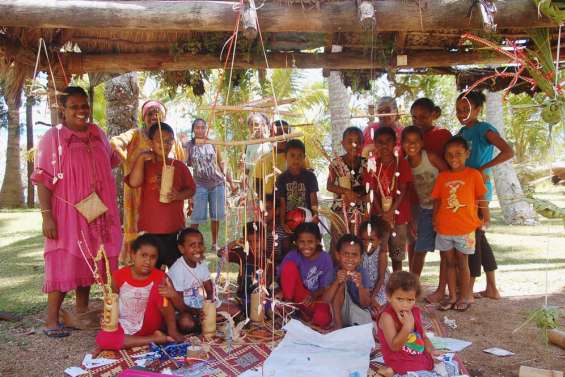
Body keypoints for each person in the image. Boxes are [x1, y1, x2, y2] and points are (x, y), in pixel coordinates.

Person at [32, 86, 122, 338]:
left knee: (92, 258)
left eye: (84, 106)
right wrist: (47, 215)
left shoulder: (98, 133)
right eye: (74, 106)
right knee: (65, 260)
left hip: (99, 211)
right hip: (68, 212)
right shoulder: (54, 137)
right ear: (63, 109)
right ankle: (51, 320)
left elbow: (114, 159)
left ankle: (81, 312)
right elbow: (42, 179)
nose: (81, 111)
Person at [110, 100, 185, 262]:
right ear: (144, 117)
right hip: (138, 194)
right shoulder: (136, 135)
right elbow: (114, 143)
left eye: (157, 112)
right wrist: (130, 163)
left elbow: (181, 165)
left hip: (167, 197)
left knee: (169, 239)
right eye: (149, 113)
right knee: (145, 236)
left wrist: (187, 197)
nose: (154, 116)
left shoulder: (173, 139)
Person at [456, 91, 513, 300]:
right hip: (465, 193)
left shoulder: (484, 129)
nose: (462, 113)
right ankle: (491, 287)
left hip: (479, 193)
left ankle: (468, 289)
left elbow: (508, 151)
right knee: (480, 239)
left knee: (474, 240)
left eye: (466, 109)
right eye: (459, 110)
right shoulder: (462, 133)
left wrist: (484, 169)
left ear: (478, 110)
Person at [95, 234, 183, 350]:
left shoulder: (161, 276)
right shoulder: (118, 276)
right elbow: (111, 303)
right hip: (124, 324)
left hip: (149, 323)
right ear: (133, 255)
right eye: (143, 255)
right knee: (104, 339)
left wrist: (173, 295)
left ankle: (171, 331)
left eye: (153, 257)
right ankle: (155, 339)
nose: (147, 261)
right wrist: (106, 317)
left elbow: (179, 307)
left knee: (160, 288)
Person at [431, 137, 489, 312]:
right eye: (449, 155)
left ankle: (465, 296)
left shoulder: (473, 175)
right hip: (444, 228)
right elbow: (437, 200)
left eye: (458, 154)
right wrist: (435, 218)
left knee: (463, 263)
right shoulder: (442, 177)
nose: (453, 158)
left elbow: (481, 198)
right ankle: (453, 296)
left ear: (467, 154)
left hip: (465, 228)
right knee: (448, 262)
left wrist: (486, 218)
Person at [126, 122, 195, 268]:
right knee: (151, 271)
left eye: (169, 141)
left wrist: (178, 195)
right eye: (160, 141)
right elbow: (133, 182)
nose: (165, 144)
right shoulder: (145, 165)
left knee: (176, 269)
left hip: (174, 230)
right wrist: (141, 158)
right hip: (149, 231)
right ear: (151, 142)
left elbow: (191, 189)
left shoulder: (179, 166)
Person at [376, 271, 447, 377]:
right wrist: (407, 327)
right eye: (399, 299)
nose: (404, 305)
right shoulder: (387, 317)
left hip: (418, 354)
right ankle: (391, 371)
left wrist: (432, 350)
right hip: (398, 359)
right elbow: (394, 347)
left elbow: (422, 336)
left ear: (415, 299)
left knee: (446, 365)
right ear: (389, 297)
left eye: (410, 300)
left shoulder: (415, 311)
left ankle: (390, 372)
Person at [401, 126, 448, 277]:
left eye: (415, 141)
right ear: (402, 144)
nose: (412, 144)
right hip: (425, 210)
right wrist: (411, 220)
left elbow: (448, 175)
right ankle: (412, 285)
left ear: (422, 143)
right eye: (407, 141)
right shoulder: (405, 164)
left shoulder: (431, 157)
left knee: (446, 251)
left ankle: (444, 288)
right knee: (420, 249)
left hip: (444, 208)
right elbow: (407, 192)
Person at [365, 127, 413, 272]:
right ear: (375, 144)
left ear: (395, 143)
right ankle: (380, 281)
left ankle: (397, 281)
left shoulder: (401, 163)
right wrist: (382, 213)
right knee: (380, 250)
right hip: (378, 216)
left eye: (388, 141)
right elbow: (371, 190)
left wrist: (391, 211)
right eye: (380, 142)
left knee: (397, 253)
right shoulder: (372, 164)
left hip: (398, 216)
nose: (384, 145)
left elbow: (403, 189)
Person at [186, 118, 237, 252]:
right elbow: (185, 167)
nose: (200, 130)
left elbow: (221, 163)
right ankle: (189, 242)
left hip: (217, 184)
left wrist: (231, 183)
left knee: (216, 216)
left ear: (206, 129)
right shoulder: (189, 146)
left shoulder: (213, 144)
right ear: (193, 129)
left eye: (203, 127)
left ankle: (214, 243)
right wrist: (188, 193)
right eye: (197, 127)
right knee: (196, 216)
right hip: (199, 184)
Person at [279, 223, 334, 329]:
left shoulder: (325, 258)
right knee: (289, 266)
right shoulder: (292, 255)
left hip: (314, 298)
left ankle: (302, 314)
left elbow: (326, 286)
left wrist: (314, 295)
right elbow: (284, 277)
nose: (306, 246)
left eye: (310, 242)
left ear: (318, 241)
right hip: (294, 298)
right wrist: (284, 295)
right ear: (296, 242)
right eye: (302, 242)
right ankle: (290, 309)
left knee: (322, 319)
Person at [327, 127, 367, 251]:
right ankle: (336, 270)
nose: (354, 144)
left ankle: (356, 269)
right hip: (340, 209)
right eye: (350, 141)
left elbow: (370, 186)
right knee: (338, 243)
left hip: (360, 210)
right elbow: (329, 186)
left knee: (358, 243)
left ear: (362, 143)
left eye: (358, 141)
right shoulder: (336, 163)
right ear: (342, 143)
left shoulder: (366, 163)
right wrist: (346, 192)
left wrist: (361, 198)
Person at [325, 234, 372, 329]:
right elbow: (326, 300)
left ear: (360, 258)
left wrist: (360, 286)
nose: (350, 259)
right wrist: (337, 282)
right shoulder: (333, 272)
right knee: (340, 288)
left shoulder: (362, 273)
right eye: (346, 254)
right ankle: (338, 326)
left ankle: (349, 327)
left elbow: (366, 303)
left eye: (354, 255)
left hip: (357, 312)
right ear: (338, 255)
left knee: (366, 324)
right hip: (337, 313)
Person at [225, 221, 274, 311]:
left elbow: (271, 279)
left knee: (270, 307)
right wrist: (236, 242)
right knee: (243, 307)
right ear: (244, 241)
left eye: (257, 241)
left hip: (263, 296)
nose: (254, 245)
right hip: (244, 295)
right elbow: (221, 253)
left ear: (264, 239)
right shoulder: (243, 253)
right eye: (250, 242)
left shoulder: (269, 256)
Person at [276, 139, 319, 234]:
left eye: (300, 156)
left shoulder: (310, 176)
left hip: (307, 219)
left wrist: (315, 215)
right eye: (292, 155)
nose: (296, 159)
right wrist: (283, 223)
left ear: (304, 157)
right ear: (285, 157)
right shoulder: (281, 178)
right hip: (289, 221)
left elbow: (314, 199)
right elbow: (282, 204)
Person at [359, 216, 391, 312]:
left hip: (379, 287)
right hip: (365, 288)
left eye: (371, 240)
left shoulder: (381, 254)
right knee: (362, 306)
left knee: (376, 309)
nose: (367, 244)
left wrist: (372, 297)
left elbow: (381, 278)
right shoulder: (359, 253)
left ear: (379, 240)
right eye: (363, 240)